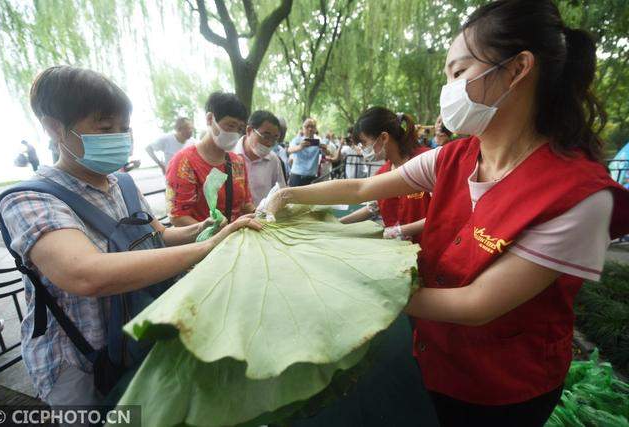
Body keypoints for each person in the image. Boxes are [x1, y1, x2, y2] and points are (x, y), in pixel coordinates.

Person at [264, 1, 629, 425]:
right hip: (435, 356)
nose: (448, 91)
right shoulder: (454, 157)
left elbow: (477, 304)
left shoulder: (580, 196)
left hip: (502, 388)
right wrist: (289, 195)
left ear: (518, 69)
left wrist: (355, 294)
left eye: (458, 73)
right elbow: (363, 187)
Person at [0, 66, 260, 407]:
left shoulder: (123, 183)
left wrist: (204, 228)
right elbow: (85, 273)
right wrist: (208, 247)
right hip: (79, 360)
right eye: (105, 128)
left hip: (134, 337)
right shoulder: (30, 199)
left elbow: (159, 237)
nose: (120, 138)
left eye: (125, 129)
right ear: (54, 128)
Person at [339, 107, 431, 243]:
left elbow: (444, 212)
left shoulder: (427, 161)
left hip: (430, 250)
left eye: (364, 143)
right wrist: (337, 224)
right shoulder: (382, 173)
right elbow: (373, 207)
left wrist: (400, 231)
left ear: (383, 137)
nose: (362, 149)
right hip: (400, 255)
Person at [166, 92, 255, 226]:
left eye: (240, 129)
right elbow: (178, 217)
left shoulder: (237, 162)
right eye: (231, 125)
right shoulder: (184, 163)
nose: (235, 133)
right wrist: (214, 233)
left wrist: (262, 214)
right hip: (202, 243)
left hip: (234, 240)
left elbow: (245, 203)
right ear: (210, 119)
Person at [234, 110, 286, 206]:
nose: (269, 143)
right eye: (266, 137)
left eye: (274, 139)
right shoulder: (229, 155)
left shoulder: (274, 160)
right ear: (249, 131)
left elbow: (281, 192)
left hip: (261, 218)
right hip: (233, 219)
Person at [287, 118, 321, 186]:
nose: (310, 129)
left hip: (312, 178)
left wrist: (325, 150)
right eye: (307, 126)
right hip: (297, 176)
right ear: (303, 128)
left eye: (312, 127)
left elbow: (329, 154)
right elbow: (289, 150)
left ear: (315, 129)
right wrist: (300, 147)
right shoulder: (297, 140)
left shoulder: (319, 141)